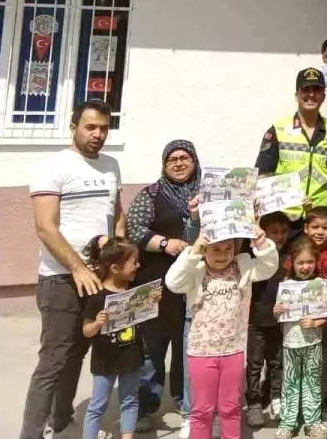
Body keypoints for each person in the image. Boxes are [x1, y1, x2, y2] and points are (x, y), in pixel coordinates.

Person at [22, 99, 125, 439]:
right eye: (90, 127)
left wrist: (119, 253)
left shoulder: (111, 165)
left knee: (78, 351)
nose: (98, 135)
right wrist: (79, 268)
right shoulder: (54, 166)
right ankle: (31, 433)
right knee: (54, 359)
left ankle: (62, 420)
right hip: (61, 278)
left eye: (104, 129)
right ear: (74, 126)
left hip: (98, 277)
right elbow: (45, 227)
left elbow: (117, 211)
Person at [165, 224, 280, 439]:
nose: (222, 255)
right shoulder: (196, 271)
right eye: (215, 249)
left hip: (233, 351)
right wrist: (192, 252)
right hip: (201, 352)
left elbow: (269, 267)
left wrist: (261, 242)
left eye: (228, 249)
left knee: (230, 408)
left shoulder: (242, 268)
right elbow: (172, 282)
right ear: (204, 251)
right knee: (202, 411)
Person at [125, 140, 201, 431]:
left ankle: (186, 404)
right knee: (150, 349)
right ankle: (146, 407)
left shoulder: (209, 193)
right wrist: (166, 244)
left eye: (185, 158)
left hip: (192, 286)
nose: (179, 163)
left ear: (195, 161)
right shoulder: (151, 194)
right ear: (164, 163)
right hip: (154, 285)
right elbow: (134, 228)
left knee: (188, 347)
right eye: (173, 159)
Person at [81, 236, 160, 439]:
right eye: (134, 262)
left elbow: (147, 317)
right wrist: (98, 323)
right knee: (98, 405)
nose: (138, 265)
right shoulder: (98, 295)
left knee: (130, 400)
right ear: (115, 268)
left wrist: (152, 301)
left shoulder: (134, 290)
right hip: (105, 361)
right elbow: (86, 331)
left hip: (132, 357)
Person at [257, 68, 327, 222]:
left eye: (317, 90)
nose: (311, 94)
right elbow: (263, 177)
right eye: (306, 90)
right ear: (297, 95)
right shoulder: (278, 130)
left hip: (324, 219)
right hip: (286, 220)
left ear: (323, 96)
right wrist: (259, 221)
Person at [274, 236, 327, 439]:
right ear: (293, 263)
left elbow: (326, 313)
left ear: (316, 262)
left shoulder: (320, 284)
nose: (305, 266)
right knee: (290, 382)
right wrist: (277, 310)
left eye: (310, 262)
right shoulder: (286, 284)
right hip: (290, 343)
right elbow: (278, 314)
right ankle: (288, 422)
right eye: (301, 262)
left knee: (312, 382)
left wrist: (316, 323)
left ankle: (313, 422)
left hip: (313, 343)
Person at [246, 212, 291, 427]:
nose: (280, 236)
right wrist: (254, 221)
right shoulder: (254, 257)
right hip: (254, 321)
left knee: (277, 363)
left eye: (283, 231)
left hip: (279, 323)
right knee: (254, 364)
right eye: (274, 232)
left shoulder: (290, 258)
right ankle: (254, 402)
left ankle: (276, 398)